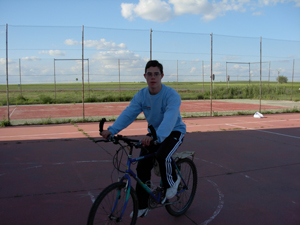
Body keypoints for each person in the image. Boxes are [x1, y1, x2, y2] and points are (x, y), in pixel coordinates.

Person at [101, 60, 186, 218]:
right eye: (149, 74)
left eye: (156, 74)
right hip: (154, 134)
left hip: (174, 131)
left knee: (162, 155)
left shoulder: (171, 95)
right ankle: (142, 205)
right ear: (145, 76)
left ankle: (172, 182)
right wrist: (112, 130)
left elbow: (169, 119)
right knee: (141, 167)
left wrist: (157, 137)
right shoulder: (142, 95)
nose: (152, 77)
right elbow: (129, 113)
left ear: (161, 76)